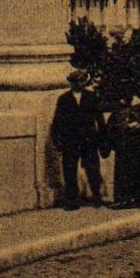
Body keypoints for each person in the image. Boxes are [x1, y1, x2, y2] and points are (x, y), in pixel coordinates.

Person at [51, 70, 106, 210]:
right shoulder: (64, 98)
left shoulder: (92, 96)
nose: (80, 84)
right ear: (71, 83)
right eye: (77, 81)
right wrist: (57, 138)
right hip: (71, 139)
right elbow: (57, 120)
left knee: (92, 168)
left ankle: (96, 196)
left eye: (82, 81)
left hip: (89, 138)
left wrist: (102, 138)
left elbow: (99, 118)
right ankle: (71, 199)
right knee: (69, 169)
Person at [106, 95, 140, 208]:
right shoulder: (117, 110)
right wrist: (124, 127)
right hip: (123, 145)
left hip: (139, 144)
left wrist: (139, 126)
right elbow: (111, 127)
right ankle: (123, 199)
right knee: (123, 172)